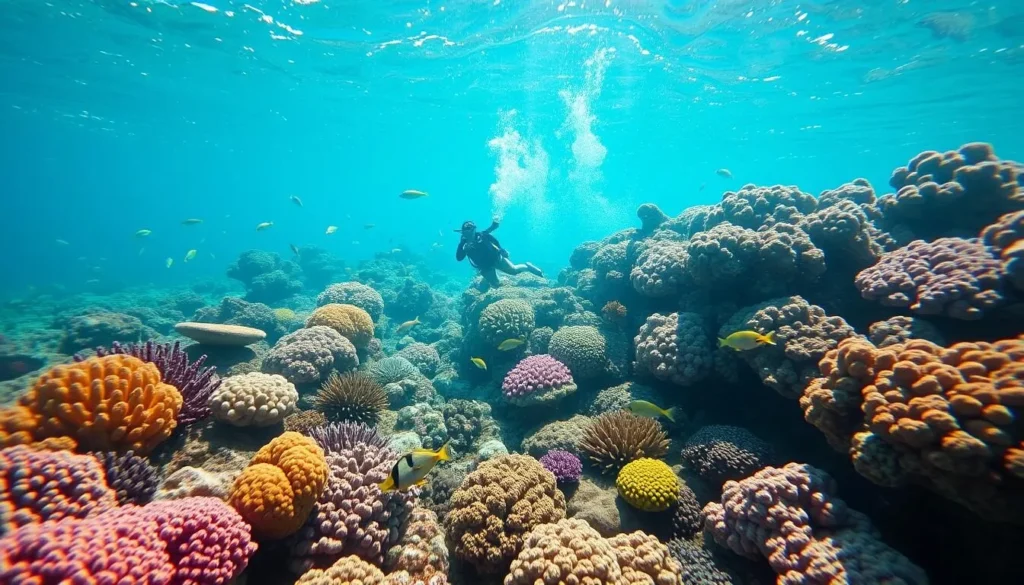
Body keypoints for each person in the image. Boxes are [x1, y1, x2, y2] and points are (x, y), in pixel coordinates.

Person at [455, 218, 543, 287]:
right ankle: (499, 280)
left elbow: (494, 241)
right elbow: (459, 258)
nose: (470, 232)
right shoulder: (463, 244)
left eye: (472, 229)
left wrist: (501, 250)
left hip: (497, 259)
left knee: (514, 271)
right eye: (467, 230)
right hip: (484, 267)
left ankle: (527, 266)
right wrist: (464, 249)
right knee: (495, 284)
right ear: (463, 232)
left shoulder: (482, 235)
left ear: (474, 230)